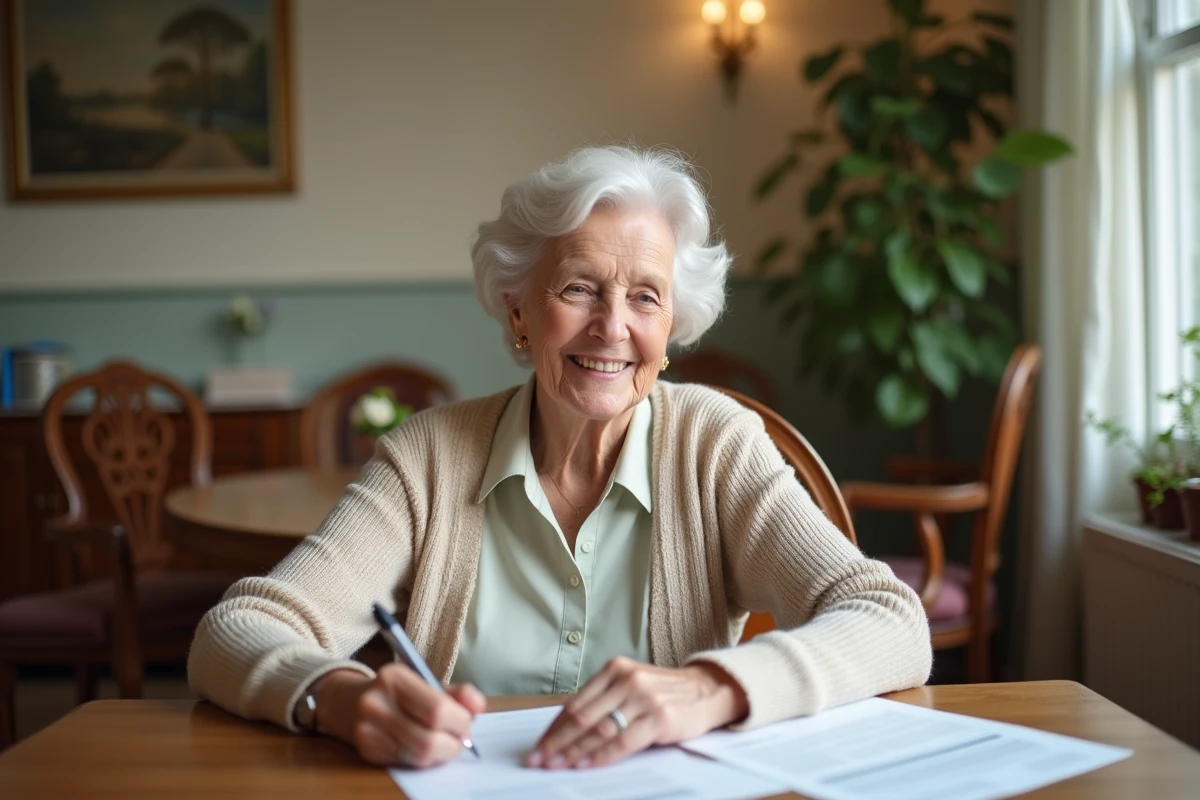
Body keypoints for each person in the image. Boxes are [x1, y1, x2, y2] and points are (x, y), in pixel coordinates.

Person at [188, 145, 932, 771]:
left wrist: (708, 690)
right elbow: (236, 630)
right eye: (579, 288)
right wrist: (343, 699)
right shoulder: (428, 459)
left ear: (672, 325)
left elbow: (888, 619)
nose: (612, 327)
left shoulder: (715, 443)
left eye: (646, 297)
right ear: (518, 307)